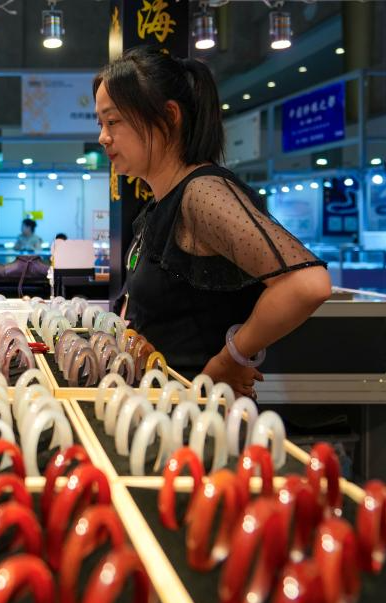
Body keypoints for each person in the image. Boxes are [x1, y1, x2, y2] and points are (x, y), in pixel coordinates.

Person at [94, 47, 331, 399]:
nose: (103, 137)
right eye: (100, 123)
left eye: (113, 121)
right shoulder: (161, 202)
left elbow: (307, 284)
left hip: (203, 413)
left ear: (169, 116)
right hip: (167, 406)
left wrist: (231, 357)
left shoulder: (201, 193)